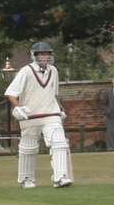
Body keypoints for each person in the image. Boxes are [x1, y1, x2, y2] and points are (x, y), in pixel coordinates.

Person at [5, 41, 71, 189]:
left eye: (47, 54)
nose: (44, 57)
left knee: (59, 142)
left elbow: (54, 93)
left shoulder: (54, 71)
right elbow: (11, 93)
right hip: (30, 115)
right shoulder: (26, 71)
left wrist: (60, 109)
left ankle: (60, 177)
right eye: (41, 54)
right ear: (34, 55)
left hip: (51, 114)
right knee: (28, 148)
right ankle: (26, 179)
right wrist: (19, 107)